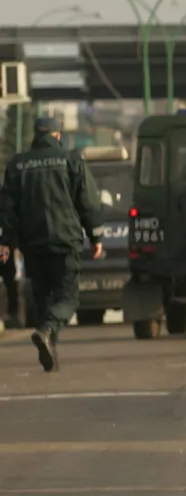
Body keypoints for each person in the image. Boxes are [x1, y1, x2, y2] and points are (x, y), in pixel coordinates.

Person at [0, 116, 105, 372]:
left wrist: (5, 241)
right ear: (58, 135)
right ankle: (47, 332)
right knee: (67, 296)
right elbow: (88, 202)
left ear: (35, 135)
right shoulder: (71, 160)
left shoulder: (17, 165)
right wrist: (96, 237)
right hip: (64, 240)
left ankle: (50, 352)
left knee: (43, 296)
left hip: (32, 243)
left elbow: (7, 209)